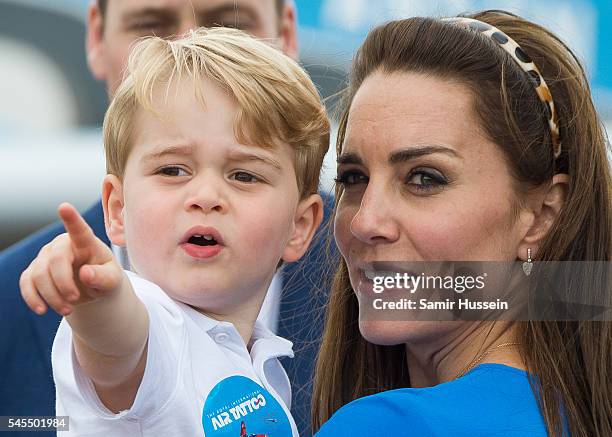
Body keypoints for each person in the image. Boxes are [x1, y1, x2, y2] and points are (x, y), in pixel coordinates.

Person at [0, 1, 331, 435]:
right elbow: (122, 338)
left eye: (244, 175)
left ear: (300, 225)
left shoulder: (375, 274)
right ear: (115, 207)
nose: (207, 195)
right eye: (172, 170)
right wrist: (97, 298)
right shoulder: (148, 318)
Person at [312, 10, 611, 437]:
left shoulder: (384, 426)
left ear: (541, 216)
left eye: (424, 178)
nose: (365, 221)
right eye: (353, 178)